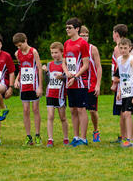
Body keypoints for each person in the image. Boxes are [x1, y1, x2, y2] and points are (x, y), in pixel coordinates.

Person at [62, 17, 90, 147]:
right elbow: (64, 61)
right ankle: (76, 136)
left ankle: (83, 138)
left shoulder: (82, 43)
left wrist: (75, 77)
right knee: (72, 109)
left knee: (81, 109)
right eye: (66, 27)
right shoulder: (67, 43)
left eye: (70, 27)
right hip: (70, 82)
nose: (67, 30)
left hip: (81, 82)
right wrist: (67, 72)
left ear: (77, 29)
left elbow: (86, 64)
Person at [13, 32, 43, 146]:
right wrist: (17, 80)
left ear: (25, 41)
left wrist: (40, 86)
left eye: (20, 45)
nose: (19, 48)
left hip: (34, 85)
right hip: (24, 86)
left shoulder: (33, 52)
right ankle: (28, 136)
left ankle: (37, 135)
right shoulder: (17, 53)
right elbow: (21, 69)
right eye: (17, 46)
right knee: (25, 110)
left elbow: (39, 69)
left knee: (35, 109)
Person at [42, 42, 69, 147]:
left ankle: (66, 138)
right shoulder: (50, 64)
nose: (54, 55)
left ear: (62, 52)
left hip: (60, 95)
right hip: (50, 94)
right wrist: (45, 73)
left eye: (56, 52)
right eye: (52, 53)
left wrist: (62, 76)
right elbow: (47, 81)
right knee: (50, 116)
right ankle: (50, 139)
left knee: (63, 117)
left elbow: (68, 77)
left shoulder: (64, 64)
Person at [116, 38, 133, 147]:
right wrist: (119, 90)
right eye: (121, 48)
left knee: (127, 114)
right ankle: (130, 138)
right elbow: (122, 77)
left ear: (129, 48)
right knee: (126, 114)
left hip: (132, 91)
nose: (123, 50)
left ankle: (131, 140)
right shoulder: (119, 59)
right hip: (125, 91)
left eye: (125, 48)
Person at [79, 26, 102, 143]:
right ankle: (81, 135)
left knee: (92, 111)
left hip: (91, 84)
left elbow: (98, 67)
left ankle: (96, 130)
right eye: (82, 35)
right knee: (80, 111)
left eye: (86, 35)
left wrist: (98, 84)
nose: (84, 38)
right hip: (79, 84)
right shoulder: (75, 48)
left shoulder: (93, 49)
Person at [110, 24, 128, 144]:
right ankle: (124, 135)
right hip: (122, 82)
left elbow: (121, 67)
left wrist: (116, 83)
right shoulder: (122, 46)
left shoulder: (118, 48)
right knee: (123, 109)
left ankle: (124, 136)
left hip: (122, 83)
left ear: (116, 33)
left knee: (123, 110)